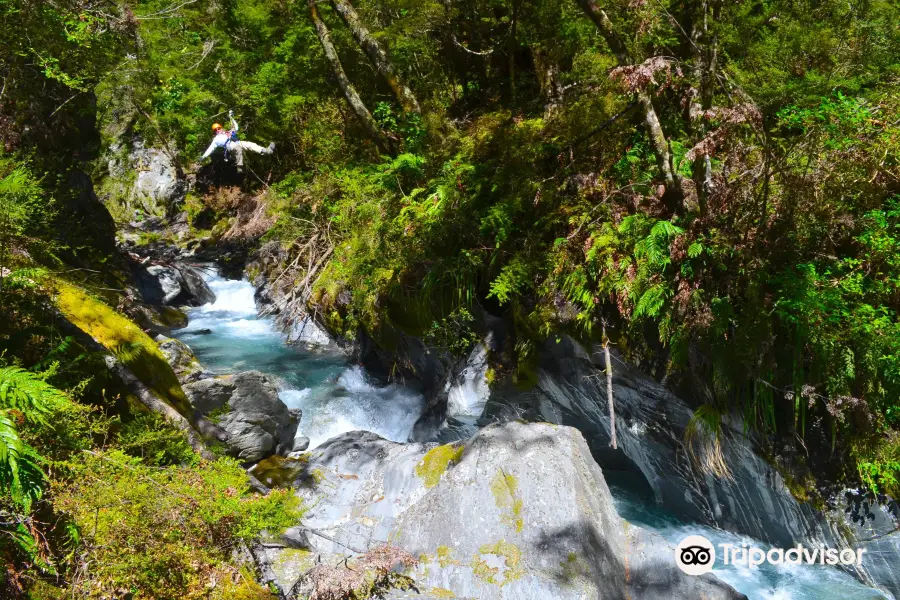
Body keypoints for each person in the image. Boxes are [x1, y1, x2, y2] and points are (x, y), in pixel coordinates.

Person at [199, 110, 274, 172]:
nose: (218, 130)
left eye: (218, 128)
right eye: (216, 130)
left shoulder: (227, 132)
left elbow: (236, 127)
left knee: (251, 144)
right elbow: (210, 149)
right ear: (214, 132)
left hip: (238, 143)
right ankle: (239, 167)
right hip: (231, 147)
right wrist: (203, 157)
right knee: (238, 148)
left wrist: (231, 117)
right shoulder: (216, 139)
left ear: (221, 128)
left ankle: (265, 151)